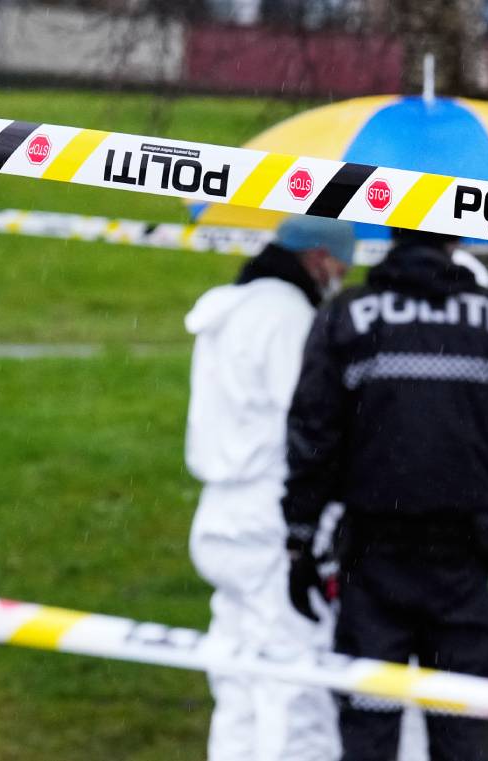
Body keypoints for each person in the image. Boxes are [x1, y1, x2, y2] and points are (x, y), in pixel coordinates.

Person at [281, 227, 488, 761]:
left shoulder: (346, 316)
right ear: (456, 236)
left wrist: (300, 538)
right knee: (464, 728)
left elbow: (313, 435)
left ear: (391, 231)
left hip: (372, 555)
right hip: (462, 554)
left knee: (369, 726)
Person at [185, 215, 355, 761]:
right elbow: (309, 423)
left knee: (235, 675)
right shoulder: (289, 318)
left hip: (219, 515)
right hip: (268, 519)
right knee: (295, 679)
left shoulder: (230, 307)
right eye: (342, 266)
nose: (342, 278)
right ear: (319, 258)